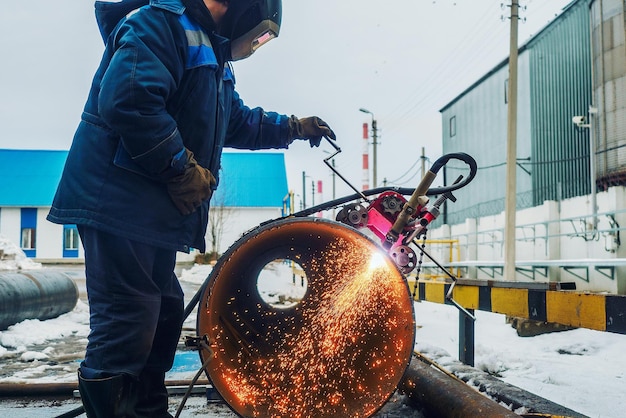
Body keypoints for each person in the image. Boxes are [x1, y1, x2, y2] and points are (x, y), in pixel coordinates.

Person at [47, 0, 335, 416]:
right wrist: (180, 167)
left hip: (149, 214)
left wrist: (291, 127)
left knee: (162, 317)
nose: (255, 42)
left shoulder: (210, 50)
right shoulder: (158, 24)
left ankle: (146, 411)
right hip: (119, 203)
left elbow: (232, 120)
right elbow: (130, 101)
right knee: (127, 324)